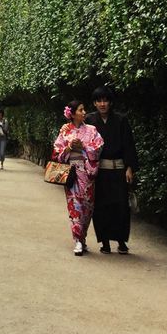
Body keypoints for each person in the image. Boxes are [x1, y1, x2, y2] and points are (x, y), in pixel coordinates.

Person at [87, 85, 139, 254]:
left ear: (110, 103)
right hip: (99, 172)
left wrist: (129, 167)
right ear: (94, 103)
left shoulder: (121, 120)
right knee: (101, 207)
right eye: (99, 100)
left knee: (121, 206)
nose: (102, 104)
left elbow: (129, 145)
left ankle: (121, 241)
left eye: (105, 100)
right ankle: (105, 242)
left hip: (118, 170)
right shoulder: (89, 121)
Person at [51, 100, 104, 255]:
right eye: (80, 110)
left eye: (83, 109)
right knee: (75, 207)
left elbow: (99, 146)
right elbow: (56, 151)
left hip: (87, 173)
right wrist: (69, 147)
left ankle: (83, 237)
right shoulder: (65, 131)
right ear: (72, 114)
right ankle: (78, 241)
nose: (84, 112)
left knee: (87, 208)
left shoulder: (92, 130)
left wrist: (84, 148)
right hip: (72, 172)